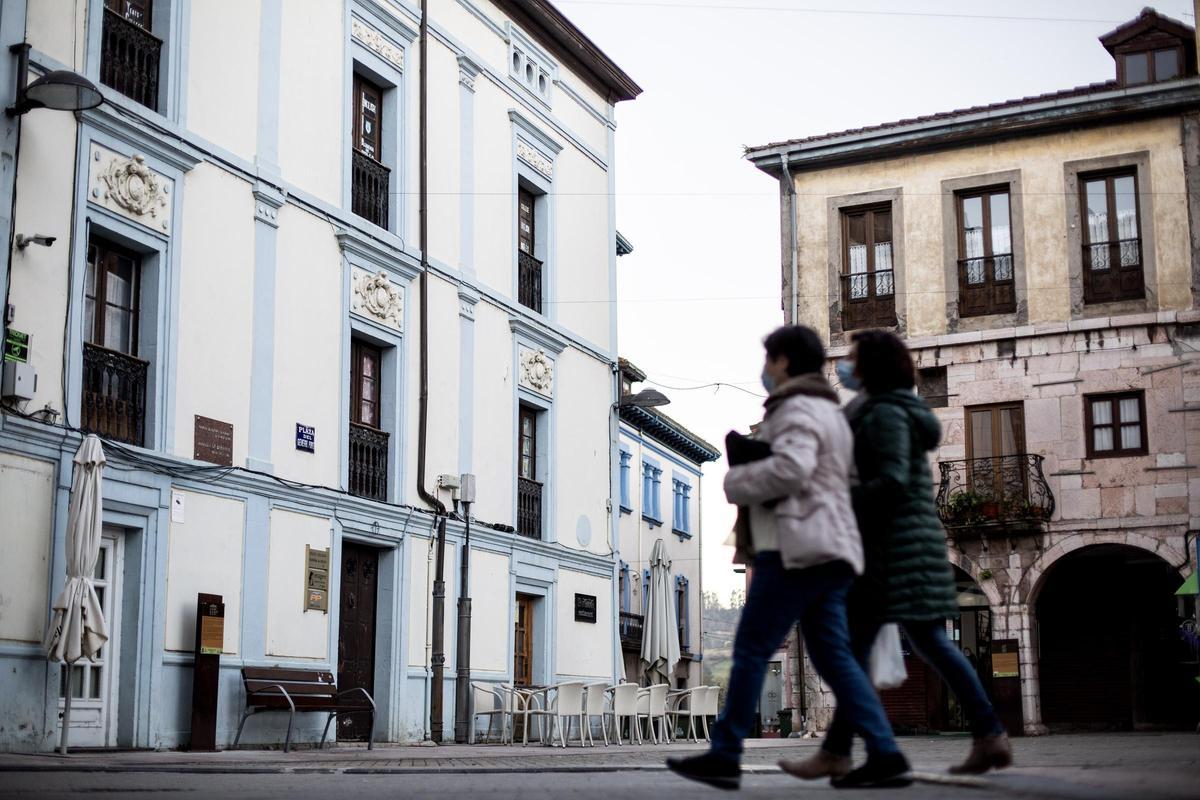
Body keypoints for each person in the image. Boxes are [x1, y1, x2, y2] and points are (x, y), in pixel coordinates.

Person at [667, 325, 911, 791]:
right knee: (836, 658)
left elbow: (795, 469)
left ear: (782, 361)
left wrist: (739, 479)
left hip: (795, 547)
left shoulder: (797, 407)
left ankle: (725, 753)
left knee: (752, 649)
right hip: (830, 547)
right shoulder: (830, 411)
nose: (765, 369)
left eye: (769, 359)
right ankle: (885, 752)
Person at [781, 329, 1012, 782]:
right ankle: (982, 736)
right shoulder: (883, 409)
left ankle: (980, 735)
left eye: (855, 357)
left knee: (897, 648)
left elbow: (890, 482)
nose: (848, 363)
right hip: (899, 546)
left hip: (896, 549)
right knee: (897, 647)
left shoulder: (885, 412)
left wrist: (838, 495)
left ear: (873, 366)